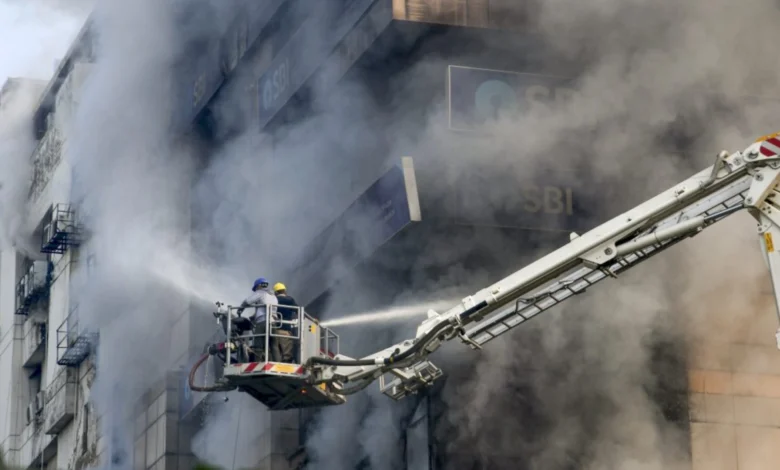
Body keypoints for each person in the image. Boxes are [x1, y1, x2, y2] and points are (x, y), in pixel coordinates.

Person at [237, 277, 278, 362]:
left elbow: (247, 301)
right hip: (273, 323)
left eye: (255, 288)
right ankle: (277, 363)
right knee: (274, 346)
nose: (255, 290)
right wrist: (254, 316)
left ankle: (257, 363)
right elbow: (264, 308)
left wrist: (240, 309)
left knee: (258, 346)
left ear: (259, 286)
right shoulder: (273, 296)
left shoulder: (260, 293)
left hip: (262, 322)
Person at [272, 282, 299, 363]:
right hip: (285, 329)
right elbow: (298, 310)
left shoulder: (273, 299)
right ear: (284, 291)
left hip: (273, 328)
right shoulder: (290, 300)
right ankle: (286, 363)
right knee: (287, 351)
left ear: (276, 292)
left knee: (274, 348)